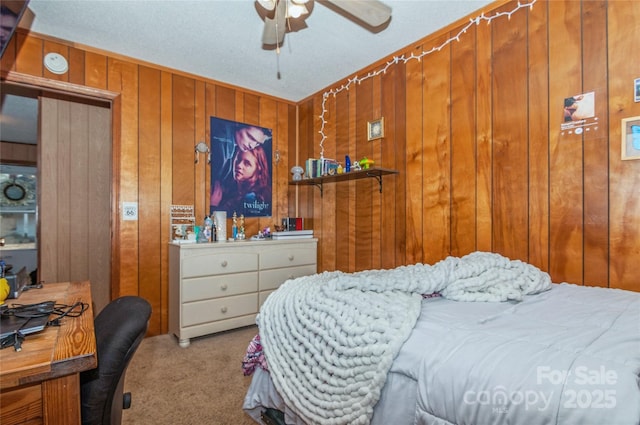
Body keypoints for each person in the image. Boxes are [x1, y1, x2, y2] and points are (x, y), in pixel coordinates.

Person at [209, 118, 272, 210]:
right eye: (250, 137)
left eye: (257, 143)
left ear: (259, 168)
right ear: (238, 126)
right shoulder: (220, 141)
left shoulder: (253, 197)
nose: (252, 146)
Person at [218, 146, 271, 217]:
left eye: (247, 163)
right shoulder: (229, 189)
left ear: (258, 169)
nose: (239, 165)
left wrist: (213, 205)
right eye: (238, 160)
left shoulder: (252, 198)